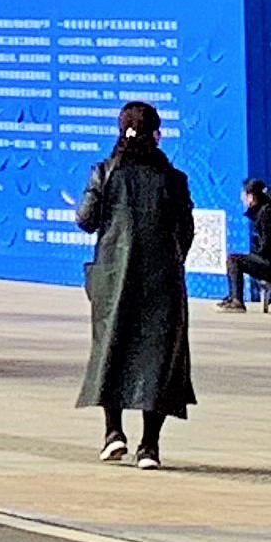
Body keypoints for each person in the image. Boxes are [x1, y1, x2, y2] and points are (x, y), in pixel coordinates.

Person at [77, 100, 199, 466]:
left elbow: (85, 219)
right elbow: (186, 231)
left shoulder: (105, 173)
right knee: (159, 361)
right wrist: (171, 260)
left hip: (114, 280)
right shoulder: (173, 180)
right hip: (162, 282)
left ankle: (113, 433)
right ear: (157, 135)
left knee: (111, 351)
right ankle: (150, 446)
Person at [220, 178, 271, 310]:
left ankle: (237, 301)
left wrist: (256, 254)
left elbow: (267, 246)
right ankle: (233, 297)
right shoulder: (265, 212)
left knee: (234, 260)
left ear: (251, 197)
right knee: (237, 259)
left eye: (244, 194)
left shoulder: (267, 214)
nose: (242, 198)